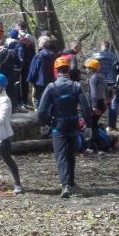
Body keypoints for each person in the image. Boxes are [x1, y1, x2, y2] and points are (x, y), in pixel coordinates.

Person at [37, 57, 91, 198]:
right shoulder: (76, 86)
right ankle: (71, 182)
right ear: (68, 70)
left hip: (58, 125)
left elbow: (42, 110)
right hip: (73, 123)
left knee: (61, 155)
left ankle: (66, 185)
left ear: (56, 71)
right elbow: (85, 107)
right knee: (70, 153)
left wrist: (44, 124)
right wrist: (88, 125)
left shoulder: (51, 87)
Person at [26, 35, 56, 109]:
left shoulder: (39, 55)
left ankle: (39, 117)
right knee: (48, 98)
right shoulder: (54, 54)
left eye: (39, 42)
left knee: (37, 98)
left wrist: (30, 79)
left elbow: (34, 69)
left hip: (39, 81)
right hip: (51, 80)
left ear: (42, 44)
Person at [85, 58, 107, 142]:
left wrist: (94, 106)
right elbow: (107, 89)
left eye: (87, 68)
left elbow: (93, 94)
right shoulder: (101, 77)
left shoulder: (93, 78)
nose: (86, 69)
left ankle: (94, 144)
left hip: (96, 103)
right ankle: (97, 143)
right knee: (94, 124)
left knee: (91, 125)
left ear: (91, 68)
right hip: (101, 103)